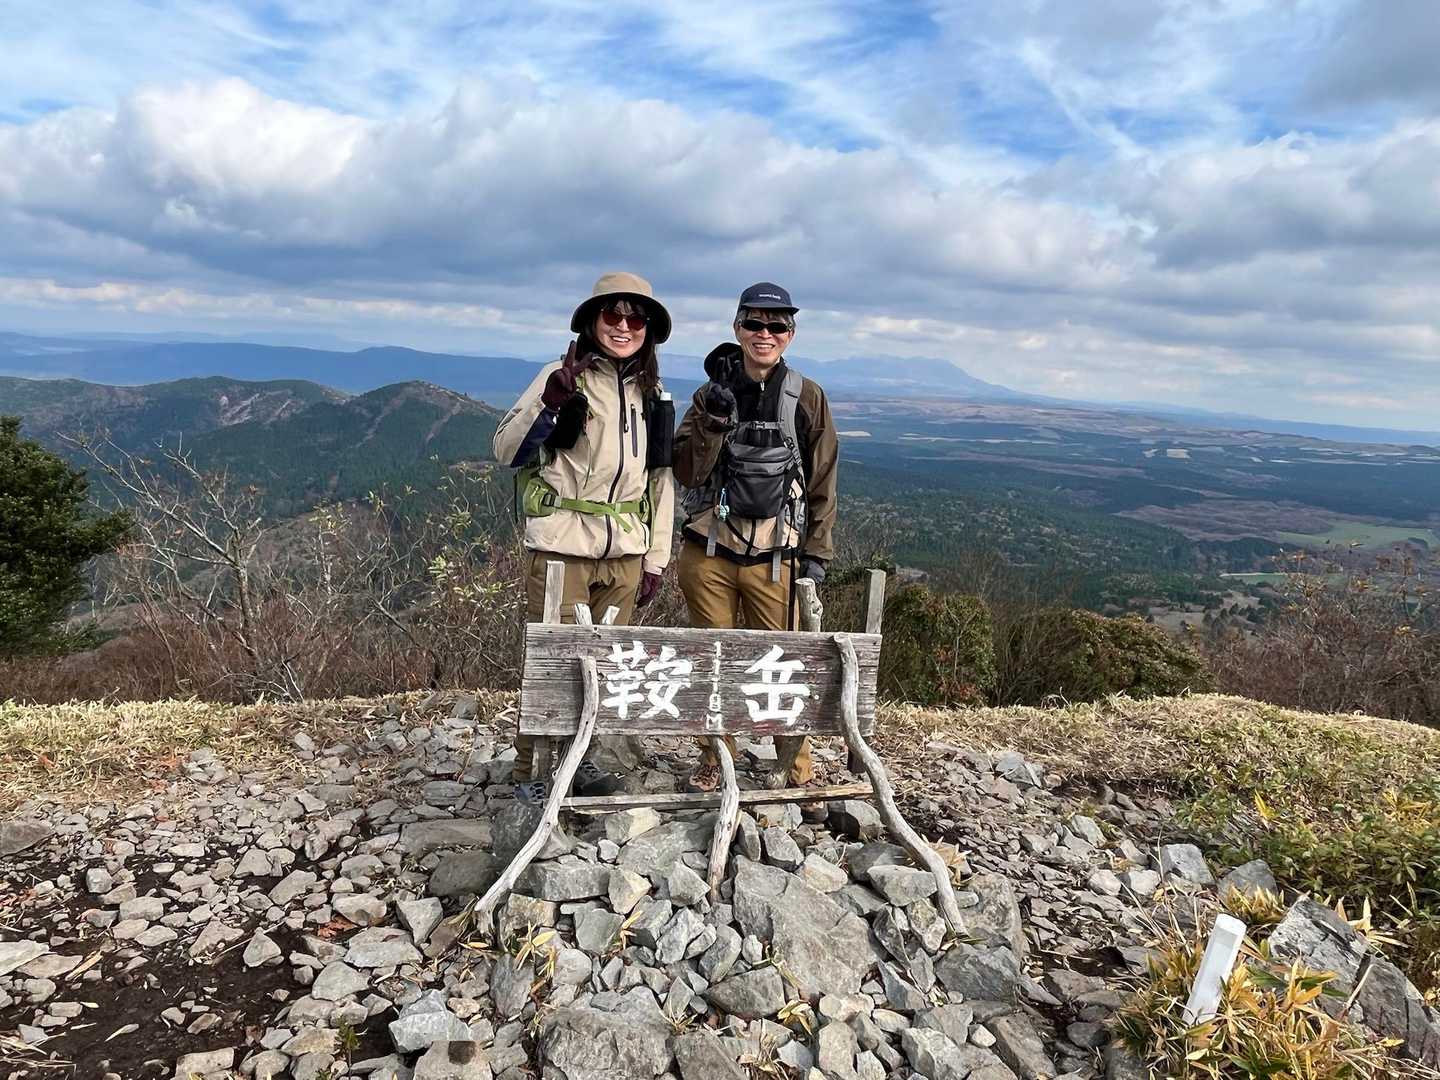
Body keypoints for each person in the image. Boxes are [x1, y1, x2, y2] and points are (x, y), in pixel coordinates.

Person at [493, 271, 676, 802]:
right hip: (561, 547)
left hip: (625, 552)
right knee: (554, 664)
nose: (624, 326)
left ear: (649, 329)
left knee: (607, 666)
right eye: (613, 314)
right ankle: (532, 772)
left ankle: (583, 763)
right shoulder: (560, 376)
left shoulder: (651, 392)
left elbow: (661, 481)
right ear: (592, 321)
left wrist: (656, 558)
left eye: (636, 318)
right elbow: (505, 450)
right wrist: (549, 404)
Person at [673, 282, 837, 793]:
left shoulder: (806, 397)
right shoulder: (709, 394)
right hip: (709, 551)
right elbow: (687, 470)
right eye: (754, 323)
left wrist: (816, 555)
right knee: (713, 663)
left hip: (777, 558)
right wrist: (712, 420)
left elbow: (823, 481)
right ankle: (715, 758)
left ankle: (795, 768)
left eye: (777, 325)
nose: (765, 334)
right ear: (737, 327)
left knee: (783, 665)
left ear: (790, 334)